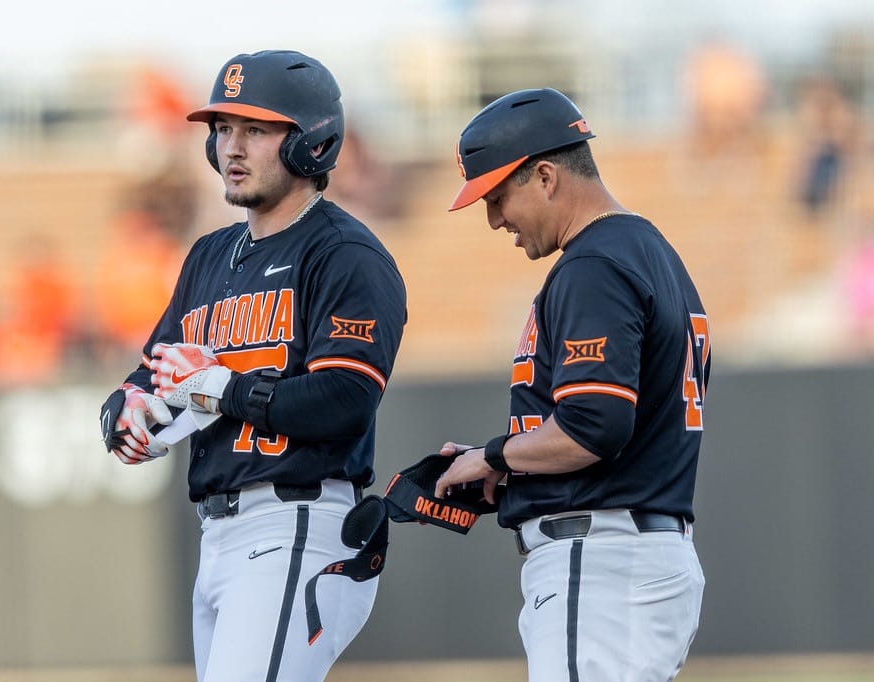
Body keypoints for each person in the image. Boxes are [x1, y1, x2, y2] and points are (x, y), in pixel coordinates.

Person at [100, 50, 407, 682]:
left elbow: (346, 397)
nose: (232, 147)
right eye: (223, 130)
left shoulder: (344, 253)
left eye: (257, 130)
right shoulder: (210, 254)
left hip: (298, 520)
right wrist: (127, 406)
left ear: (311, 143)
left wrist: (220, 389)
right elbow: (153, 368)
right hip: (220, 533)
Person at [434, 88, 710, 681]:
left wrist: (494, 454)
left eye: (498, 195)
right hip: (629, 553)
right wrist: (503, 467)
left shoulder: (594, 264)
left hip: (603, 558)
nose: (494, 218)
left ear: (545, 176)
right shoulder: (645, 249)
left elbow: (594, 425)